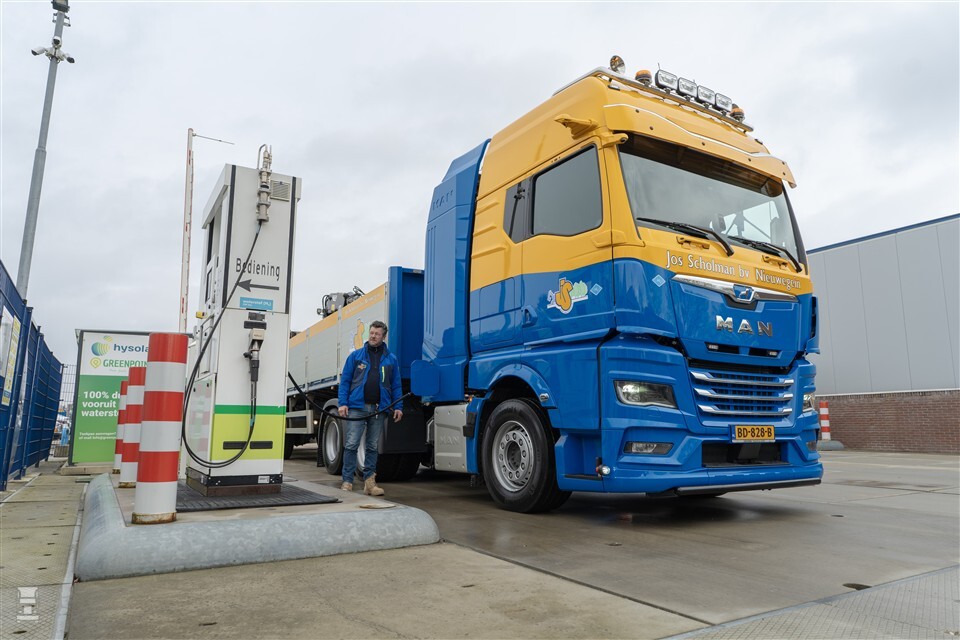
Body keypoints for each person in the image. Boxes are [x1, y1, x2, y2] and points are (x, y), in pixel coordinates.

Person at [337, 320, 403, 495]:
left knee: (372, 446)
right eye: (372, 333)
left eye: (377, 334)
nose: (373, 336)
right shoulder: (356, 356)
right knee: (351, 444)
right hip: (356, 407)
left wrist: (398, 406)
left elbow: (396, 385)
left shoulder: (391, 359)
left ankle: (369, 483)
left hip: (379, 409)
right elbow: (345, 381)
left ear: (383, 336)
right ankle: (347, 481)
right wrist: (343, 403)